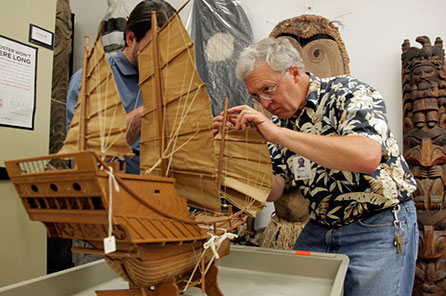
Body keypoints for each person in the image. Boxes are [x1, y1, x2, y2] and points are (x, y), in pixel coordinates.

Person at [213, 37, 418, 296]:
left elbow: (366, 156)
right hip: (321, 226)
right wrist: (236, 150)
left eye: (268, 89)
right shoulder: (281, 122)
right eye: (256, 96)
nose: (264, 103)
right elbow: (273, 190)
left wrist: (276, 133)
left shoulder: (348, 92)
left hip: (377, 224)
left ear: (295, 73)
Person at [66, 0, 176, 174]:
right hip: (112, 195)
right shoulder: (89, 80)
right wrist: (145, 113)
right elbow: (87, 157)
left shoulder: (167, 81)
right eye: (156, 46)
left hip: (159, 194)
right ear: (130, 38)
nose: (163, 56)